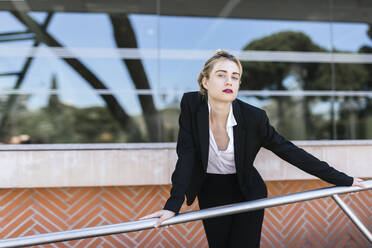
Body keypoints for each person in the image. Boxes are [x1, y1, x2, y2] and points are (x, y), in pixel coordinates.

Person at [139, 50, 366, 247]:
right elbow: (186, 155)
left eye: (235, 77)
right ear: (205, 82)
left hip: (247, 190)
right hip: (211, 189)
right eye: (221, 75)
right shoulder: (191, 105)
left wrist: (341, 179)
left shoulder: (253, 117)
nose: (229, 82)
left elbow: (289, 151)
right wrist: (172, 206)